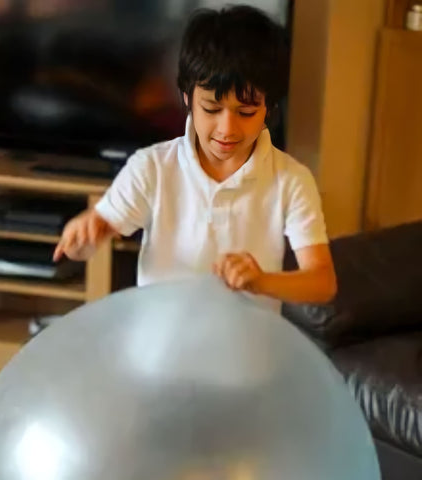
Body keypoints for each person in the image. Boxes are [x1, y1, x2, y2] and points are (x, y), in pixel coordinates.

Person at [53, 4, 337, 310]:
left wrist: (261, 281)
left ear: (269, 107)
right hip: (163, 347)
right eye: (212, 109)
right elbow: (101, 228)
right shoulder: (152, 167)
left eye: (246, 112)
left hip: (245, 352)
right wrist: (86, 234)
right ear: (187, 97)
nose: (227, 129)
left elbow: (322, 282)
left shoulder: (291, 180)